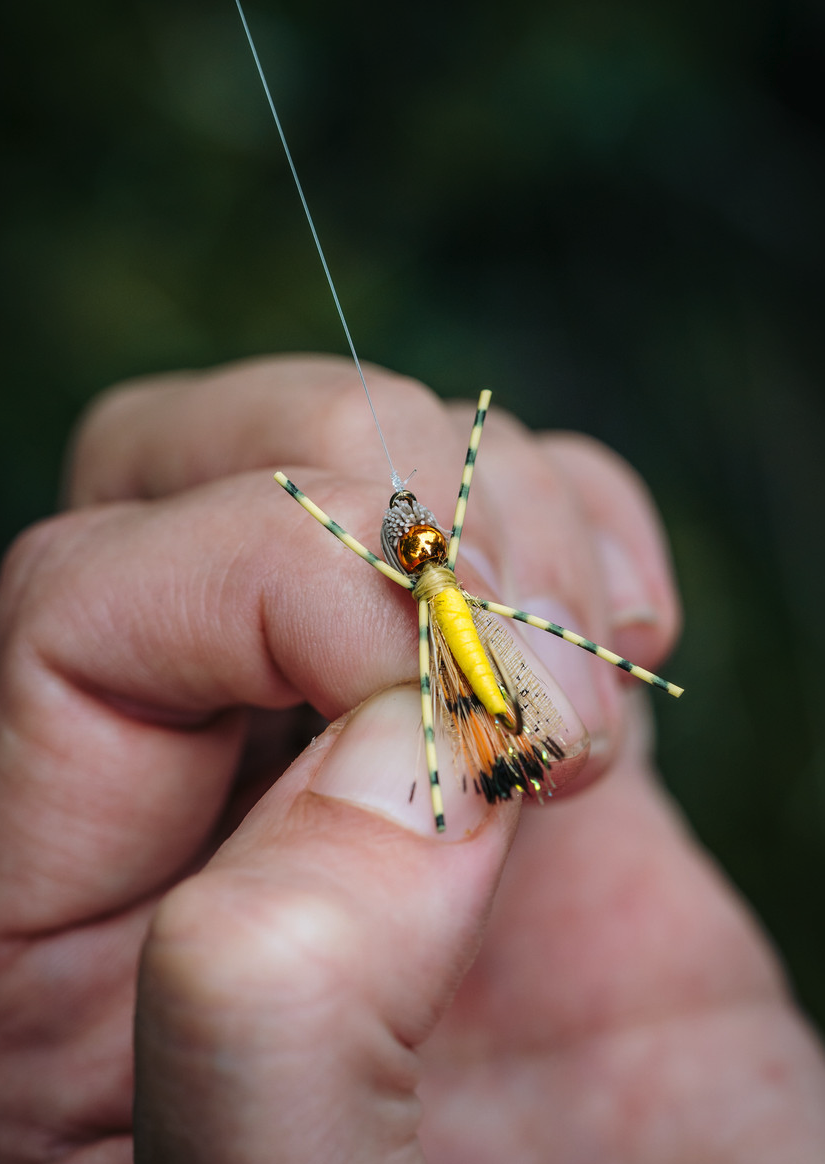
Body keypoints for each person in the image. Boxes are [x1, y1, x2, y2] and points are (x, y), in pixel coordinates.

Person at [0, 355, 823, 1163]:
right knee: (448, 708)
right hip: (449, 615)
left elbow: (430, 512)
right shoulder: (416, 590)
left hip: (458, 614)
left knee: (516, 675)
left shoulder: (445, 582)